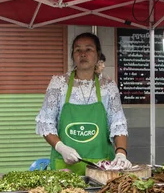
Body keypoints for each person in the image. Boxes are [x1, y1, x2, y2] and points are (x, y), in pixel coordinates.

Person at [36, 33, 130, 174]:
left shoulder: (108, 86)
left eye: (89, 49)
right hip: (65, 167)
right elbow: (45, 123)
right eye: (78, 50)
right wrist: (61, 147)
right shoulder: (59, 84)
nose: (83, 54)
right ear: (73, 55)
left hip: (101, 169)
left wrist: (121, 153)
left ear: (98, 55)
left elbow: (118, 125)